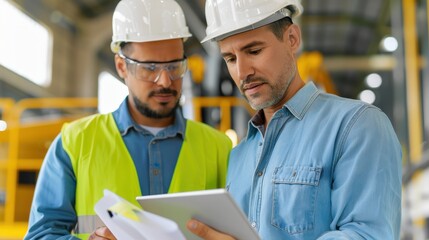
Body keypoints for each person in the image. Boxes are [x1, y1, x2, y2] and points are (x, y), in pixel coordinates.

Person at [186, 0, 402, 239]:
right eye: (230, 59)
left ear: (292, 39)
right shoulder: (240, 156)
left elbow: (367, 234)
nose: (242, 72)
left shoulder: (357, 127)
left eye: (254, 51)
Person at [24, 0, 231, 239]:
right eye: (150, 68)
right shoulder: (75, 143)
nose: (165, 81)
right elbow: (40, 234)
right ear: (121, 67)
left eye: (174, 66)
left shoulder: (219, 148)